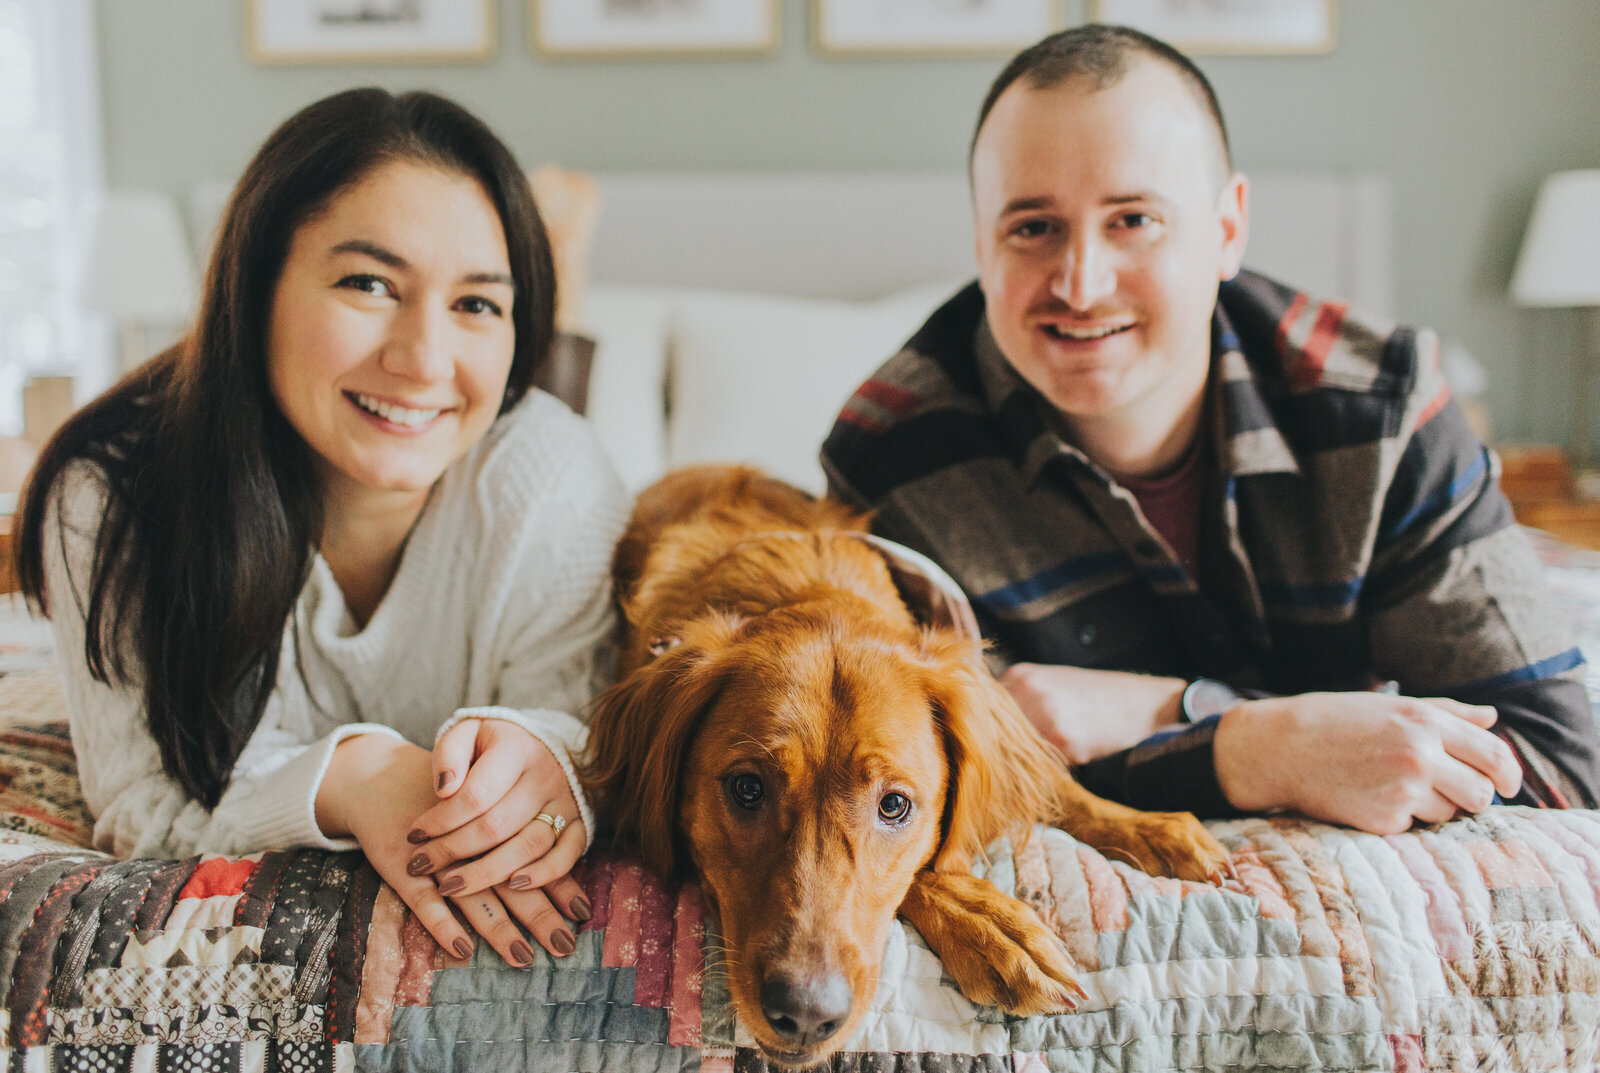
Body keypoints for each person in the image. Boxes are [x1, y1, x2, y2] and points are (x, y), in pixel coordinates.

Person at [822, 25, 1600, 835]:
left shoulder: (1378, 412)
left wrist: (1191, 715)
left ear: (1228, 228)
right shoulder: (890, 461)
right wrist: (1263, 748)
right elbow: (948, 782)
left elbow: (1556, 761)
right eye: (1032, 227)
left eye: (1133, 219)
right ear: (981, 242)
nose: (1081, 284)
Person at [14, 89, 629, 967]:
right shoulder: (112, 496)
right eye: (368, 283)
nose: (422, 359)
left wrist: (552, 758)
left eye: (478, 305)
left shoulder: (553, 475)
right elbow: (139, 805)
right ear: (255, 286)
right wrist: (355, 780)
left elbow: (584, 732)